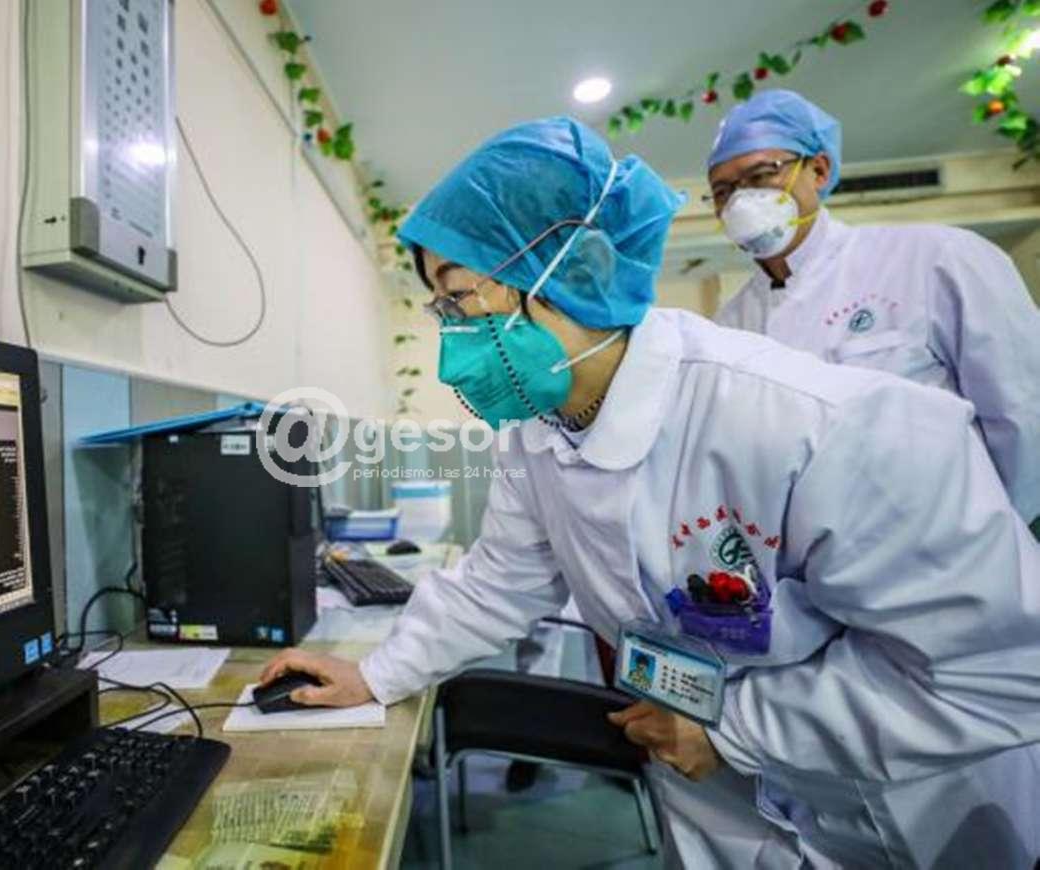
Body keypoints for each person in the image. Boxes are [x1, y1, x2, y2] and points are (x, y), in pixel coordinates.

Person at [262, 116, 1040, 868]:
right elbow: (500, 582)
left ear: (575, 272)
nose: (453, 334)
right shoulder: (537, 432)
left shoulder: (819, 423)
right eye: (443, 308)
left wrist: (736, 731)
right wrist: (376, 674)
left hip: (899, 812)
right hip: (712, 801)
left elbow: (993, 672)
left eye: (462, 297)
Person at [707, 88, 1040, 532]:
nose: (741, 201)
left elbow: (1023, 412)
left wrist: (992, 539)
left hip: (958, 546)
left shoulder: (936, 258)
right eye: (723, 191)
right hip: (820, 561)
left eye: (761, 174)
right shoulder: (728, 328)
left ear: (818, 170)